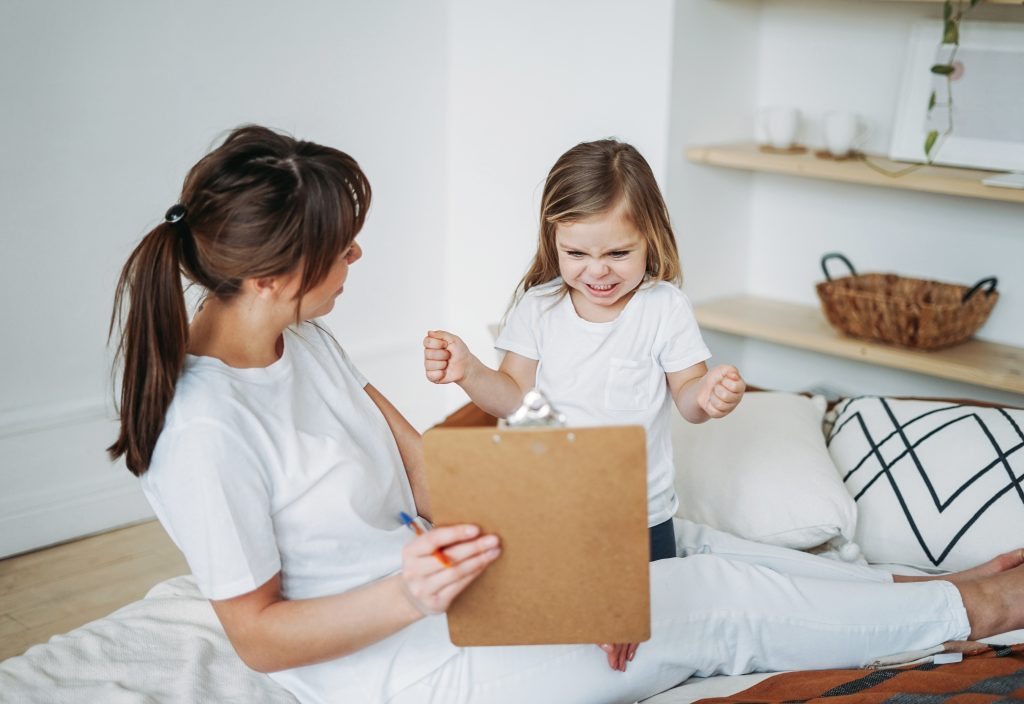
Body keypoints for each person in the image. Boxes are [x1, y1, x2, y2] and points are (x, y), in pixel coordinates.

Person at [110, 125, 1024, 704]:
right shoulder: (200, 429)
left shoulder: (300, 340)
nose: (357, 256)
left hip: (462, 597)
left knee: (708, 563)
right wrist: (411, 592)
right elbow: (259, 640)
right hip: (402, 666)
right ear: (272, 276)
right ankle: (978, 608)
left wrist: (576, 578)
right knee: (714, 604)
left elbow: (429, 468)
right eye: (341, 248)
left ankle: (920, 593)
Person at [422, 138, 746, 669]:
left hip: (636, 517)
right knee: (539, 623)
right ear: (554, 242)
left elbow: (687, 400)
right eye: (577, 254)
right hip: (549, 506)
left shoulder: (663, 308)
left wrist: (707, 397)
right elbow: (515, 399)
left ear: (651, 239)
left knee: (635, 641)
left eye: (618, 252)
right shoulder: (540, 305)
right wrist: (470, 372)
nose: (598, 271)